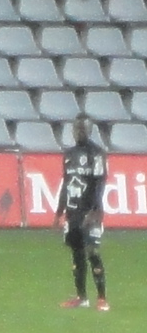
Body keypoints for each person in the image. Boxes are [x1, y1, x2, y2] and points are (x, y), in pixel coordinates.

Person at [60, 116, 110, 311]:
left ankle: (102, 298)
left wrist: (95, 210)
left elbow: (100, 183)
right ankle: (81, 297)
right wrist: (59, 211)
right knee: (77, 253)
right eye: (76, 129)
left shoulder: (97, 154)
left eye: (82, 129)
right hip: (73, 212)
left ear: (88, 131)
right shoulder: (69, 154)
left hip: (90, 212)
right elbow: (65, 184)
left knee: (93, 252)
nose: (78, 132)